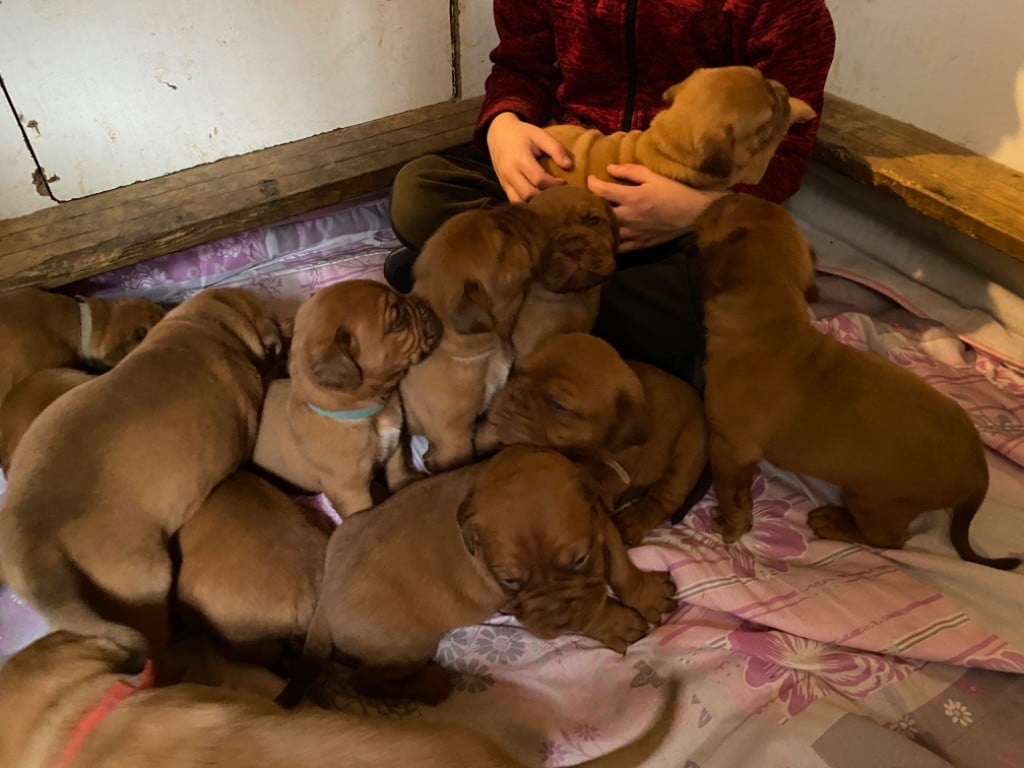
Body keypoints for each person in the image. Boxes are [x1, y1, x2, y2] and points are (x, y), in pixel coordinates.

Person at [385, 0, 835, 384]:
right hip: (564, 180)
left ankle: (483, 285)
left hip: (683, 213)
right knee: (419, 192)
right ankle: (530, 291)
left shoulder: (787, 10)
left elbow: (788, 153)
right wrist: (505, 125)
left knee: (740, 294)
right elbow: (520, 65)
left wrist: (700, 211)